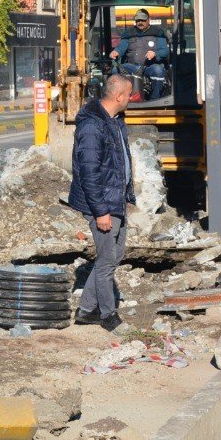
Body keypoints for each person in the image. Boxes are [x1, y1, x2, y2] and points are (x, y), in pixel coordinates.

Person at [67, 74, 135, 325]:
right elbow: (89, 173)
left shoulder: (114, 121)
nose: (131, 99)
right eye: (129, 94)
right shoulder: (92, 126)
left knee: (115, 255)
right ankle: (108, 315)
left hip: (115, 200)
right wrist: (100, 211)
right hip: (102, 204)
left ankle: (86, 310)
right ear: (119, 96)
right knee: (106, 260)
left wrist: (126, 195)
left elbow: (118, 163)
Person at [111, 9, 169, 100]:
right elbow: (122, 47)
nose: (140, 22)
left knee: (158, 70)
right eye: (138, 20)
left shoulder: (158, 33)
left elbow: (165, 51)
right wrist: (116, 51)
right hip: (132, 66)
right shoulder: (129, 33)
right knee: (115, 70)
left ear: (148, 20)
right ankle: (119, 98)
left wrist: (155, 54)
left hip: (149, 66)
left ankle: (154, 98)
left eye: (143, 20)